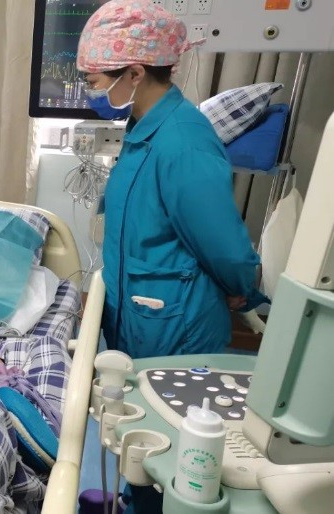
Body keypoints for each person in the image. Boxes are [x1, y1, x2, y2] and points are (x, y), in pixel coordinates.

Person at [76, 1, 267, 512]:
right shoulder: (145, 129)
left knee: (177, 445)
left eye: (95, 81)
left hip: (175, 321)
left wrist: (243, 289)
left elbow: (222, 240)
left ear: (136, 72)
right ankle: (136, 498)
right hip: (143, 311)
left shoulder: (182, 139)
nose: (92, 93)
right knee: (142, 438)